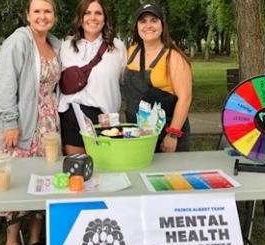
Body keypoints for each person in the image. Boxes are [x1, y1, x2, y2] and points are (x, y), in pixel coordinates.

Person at [0, 0, 61, 245]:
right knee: (18, 183)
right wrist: (9, 122)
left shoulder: (55, 44)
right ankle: (11, 242)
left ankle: (34, 238)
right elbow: (3, 83)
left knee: (44, 180)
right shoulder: (19, 41)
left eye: (47, 11)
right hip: (24, 125)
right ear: (28, 15)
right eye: (37, 11)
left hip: (49, 125)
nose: (42, 16)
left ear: (54, 15)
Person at [58, 0, 126, 155]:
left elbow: (124, 80)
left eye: (98, 13)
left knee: (105, 170)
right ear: (80, 18)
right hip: (72, 116)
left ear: (105, 18)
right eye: (87, 13)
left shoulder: (117, 48)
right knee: (78, 170)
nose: (92, 17)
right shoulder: (66, 47)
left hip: (104, 119)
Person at [124, 3, 192, 152]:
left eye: (154, 20)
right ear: (137, 27)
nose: (148, 25)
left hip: (165, 135)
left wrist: (172, 135)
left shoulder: (174, 58)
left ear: (162, 25)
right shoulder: (131, 51)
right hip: (137, 134)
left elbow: (185, 99)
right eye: (143, 21)